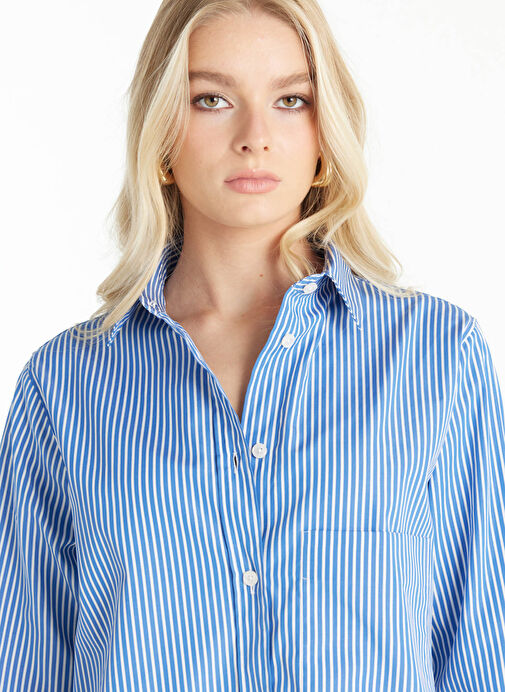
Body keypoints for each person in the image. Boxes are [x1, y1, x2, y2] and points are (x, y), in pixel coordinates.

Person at [1, 0, 504, 690]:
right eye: (211, 99)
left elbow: (478, 648)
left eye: (290, 100)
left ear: (325, 133)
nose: (255, 137)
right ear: (160, 135)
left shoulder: (436, 356)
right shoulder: (64, 385)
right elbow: (28, 659)